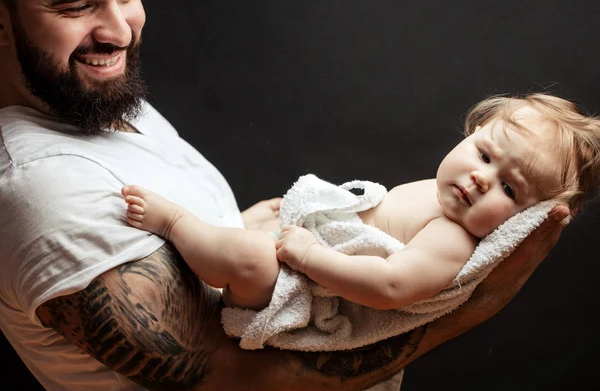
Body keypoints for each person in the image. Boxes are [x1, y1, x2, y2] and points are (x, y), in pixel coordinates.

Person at [0, 0, 571, 390]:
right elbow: (233, 383)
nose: (121, 31)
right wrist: (474, 308)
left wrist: (237, 225)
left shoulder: (94, 97)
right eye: (74, 4)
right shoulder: (43, 190)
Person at [120, 93, 600, 315]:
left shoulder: (451, 239)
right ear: (473, 132)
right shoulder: (443, 193)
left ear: (525, 220)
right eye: (486, 155)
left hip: (301, 291)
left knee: (252, 257)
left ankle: (176, 223)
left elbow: (391, 286)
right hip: (306, 252)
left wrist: (310, 257)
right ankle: (218, 239)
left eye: (510, 190)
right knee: (268, 210)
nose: (480, 179)